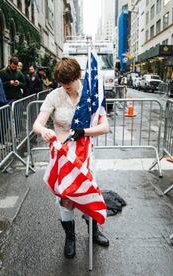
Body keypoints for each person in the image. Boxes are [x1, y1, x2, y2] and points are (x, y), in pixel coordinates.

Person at [33, 57, 110, 259]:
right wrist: (44, 131)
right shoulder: (54, 96)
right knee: (66, 197)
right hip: (62, 156)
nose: (66, 87)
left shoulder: (90, 95)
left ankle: (94, 232)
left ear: (78, 76)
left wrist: (84, 131)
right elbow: (37, 124)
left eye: (69, 82)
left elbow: (105, 127)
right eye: (62, 83)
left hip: (85, 154)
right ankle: (70, 237)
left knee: (87, 192)